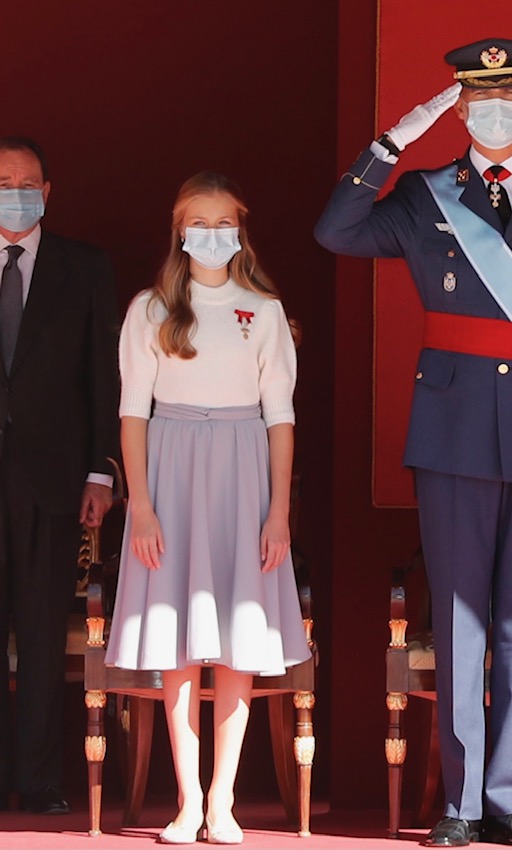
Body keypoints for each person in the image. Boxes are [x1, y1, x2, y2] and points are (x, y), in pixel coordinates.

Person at [314, 38, 512, 847]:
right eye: (476, 100)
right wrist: (391, 144)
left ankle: (508, 795)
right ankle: (459, 801)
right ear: (459, 109)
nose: (492, 112)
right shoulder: (426, 194)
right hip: (450, 431)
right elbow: (337, 231)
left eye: (505, 98)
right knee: (458, 619)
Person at [105, 172, 310, 845]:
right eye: (200, 222)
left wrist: (278, 511)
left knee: (238, 642)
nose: (213, 235)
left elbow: (280, 418)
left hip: (243, 472)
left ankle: (223, 799)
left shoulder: (265, 311)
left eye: (225, 224)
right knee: (180, 642)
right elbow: (133, 413)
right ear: (179, 229)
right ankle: (188, 800)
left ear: (241, 231)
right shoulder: (150, 309)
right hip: (171, 469)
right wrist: (140, 505)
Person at [0, 136, 118, 815]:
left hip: (54, 476)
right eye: (4, 184)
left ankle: (40, 778)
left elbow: (104, 377)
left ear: (46, 193)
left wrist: (101, 472)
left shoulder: (84, 267)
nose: (16, 195)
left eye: (27, 184)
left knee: (43, 627)